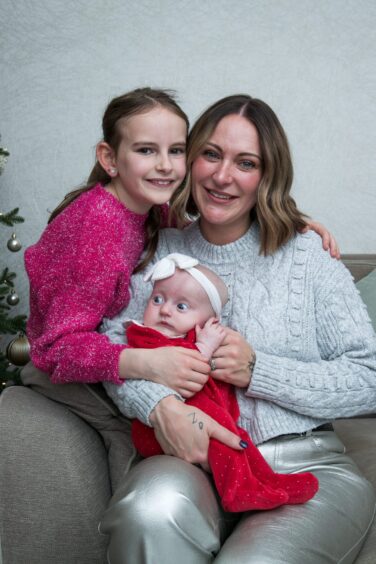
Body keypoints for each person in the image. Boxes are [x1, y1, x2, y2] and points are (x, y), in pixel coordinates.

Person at [99, 94, 376, 564]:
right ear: (189, 158)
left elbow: (369, 379)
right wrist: (158, 403)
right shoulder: (159, 247)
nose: (222, 176)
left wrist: (258, 370)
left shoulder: (307, 256)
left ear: (266, 176)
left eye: (245, 163)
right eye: (211, 154)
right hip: (190, 461)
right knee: (149, 511)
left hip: (304, 462)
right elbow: (109, 343)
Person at [23, 87, 336, 492]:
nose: (166, 166)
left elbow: (221, 214)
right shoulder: (94, 227)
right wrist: (144, 364)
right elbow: (56, 349)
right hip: (64, 371)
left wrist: (291, 220)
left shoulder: (153, 204)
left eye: (176, 151)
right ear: (109, 158)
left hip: (106, 353)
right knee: (138, 440)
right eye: (146, 151)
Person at [105, 252, 318, 512]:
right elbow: (185, 373)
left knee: (235, 438)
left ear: (208, 321)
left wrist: (249, 366)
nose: (165, 310)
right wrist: (204, 349)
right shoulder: (143, 336)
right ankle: (239, 491)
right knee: (225, 438)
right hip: (162, 433)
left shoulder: (310, 255)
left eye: (181, 307)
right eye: (157, 299)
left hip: (203, 424)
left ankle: (265, 480)